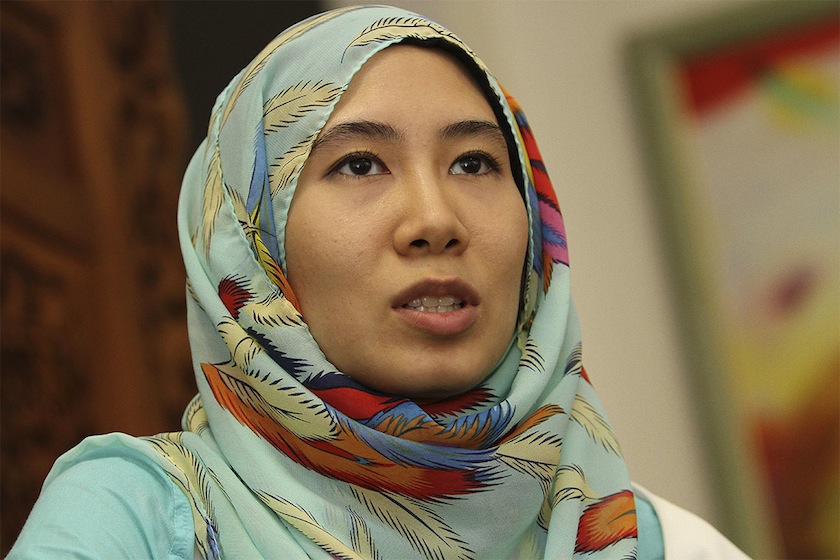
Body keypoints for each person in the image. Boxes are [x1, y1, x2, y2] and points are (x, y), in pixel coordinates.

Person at [9, 5, 749, 559]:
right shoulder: (129, 523)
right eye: (358, 164)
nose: (434, 219)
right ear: (249, 238)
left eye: (475, 164)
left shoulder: (665, 544)